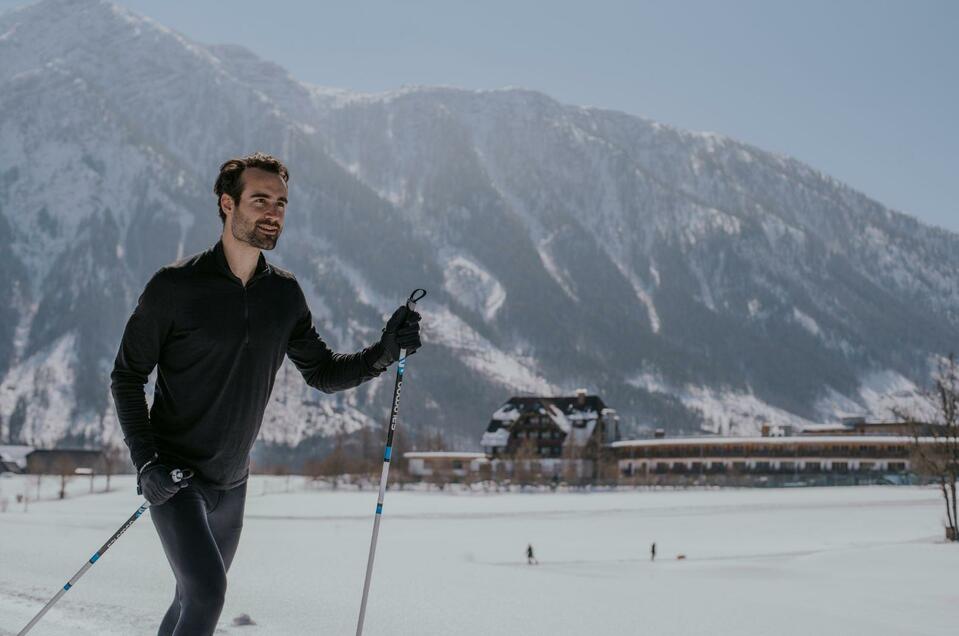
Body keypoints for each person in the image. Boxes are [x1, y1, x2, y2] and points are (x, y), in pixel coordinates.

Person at [110, 153, 422, 636]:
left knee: (190, 597)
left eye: (281, 202)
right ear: (227, 203)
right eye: (260, 200)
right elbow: (127, 376)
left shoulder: (284, 296)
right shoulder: (174, 287)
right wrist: (147, 463)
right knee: (208, 594)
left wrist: (383, 352)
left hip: (232, 483)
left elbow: (321, 372)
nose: (273, 211)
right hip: (175, 479)